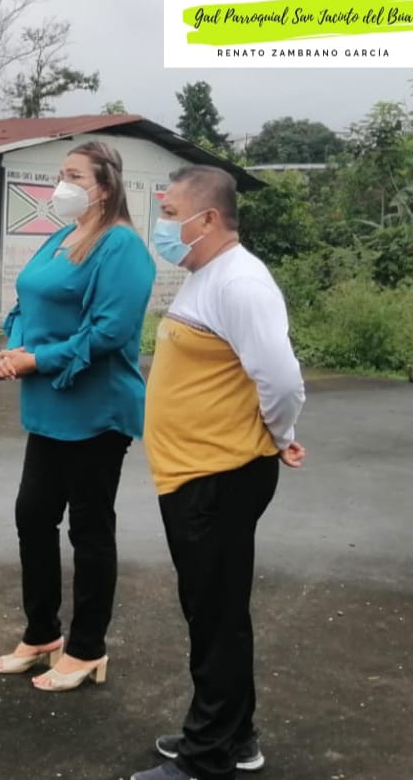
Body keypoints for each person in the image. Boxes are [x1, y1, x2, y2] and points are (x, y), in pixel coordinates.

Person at [130, 166, 306, 780]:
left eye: (170, 212)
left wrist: (279, 437)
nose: (162, 224)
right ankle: (234, 735)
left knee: (216, 617)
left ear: (207, 218)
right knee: (215, 611)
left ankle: (206, 758)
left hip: (219, 476)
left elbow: (281, 380)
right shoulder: (206, 277)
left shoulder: (240, 282)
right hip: (195, 474)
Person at [0, 141, 156, 692]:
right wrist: (17, 347)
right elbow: (25, 304)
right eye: (61, 174)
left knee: (89, 527)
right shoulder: (60, 237)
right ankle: (42, 634)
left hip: (96, 408)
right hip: (47, 404)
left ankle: (87, 648)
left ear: (104, 187)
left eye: (75, 176)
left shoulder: (122, 246)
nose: (63, 184)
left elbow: (108, 332)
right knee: (33, 516)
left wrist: (37, 360)